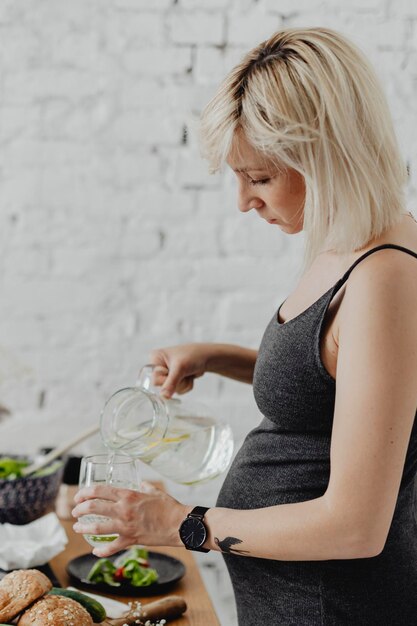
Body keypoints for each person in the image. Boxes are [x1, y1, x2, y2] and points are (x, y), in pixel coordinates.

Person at [72, 28, 417, 625]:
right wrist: (219, 357)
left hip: (331, 608)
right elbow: (350, 389)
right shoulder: (349, 242)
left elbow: (357, 526)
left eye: (258, 178)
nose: (243, 201)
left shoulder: (384, 277)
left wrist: (180, 523)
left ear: (325, 155)